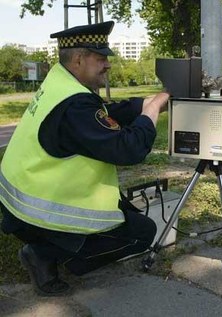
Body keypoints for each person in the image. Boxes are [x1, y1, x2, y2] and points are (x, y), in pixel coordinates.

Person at [0, 21, 170, 296]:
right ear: (79, 59)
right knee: (143, 232)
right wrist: (150, 111)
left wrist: (150, 100)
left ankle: (50, 245)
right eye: (101, 58)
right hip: (35, 212)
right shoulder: (75, 104)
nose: (108, 65)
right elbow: (129, 149)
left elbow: (104, 111)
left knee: (124, 213)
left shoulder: (60, 83)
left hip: (18, 199)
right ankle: (42, 253)